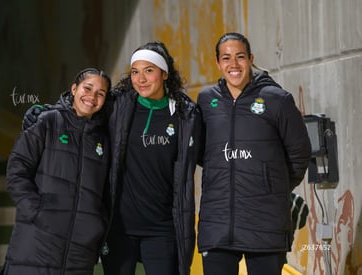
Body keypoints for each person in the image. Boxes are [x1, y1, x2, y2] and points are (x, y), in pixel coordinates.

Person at [23, 41, 202, 275]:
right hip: (119, 228)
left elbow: (208, 152)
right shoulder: (118, 106)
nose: (141, 79)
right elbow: (82, 107)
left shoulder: (184, 115)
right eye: (136, 72)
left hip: (162, 228)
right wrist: (44, 113)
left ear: (164, 73)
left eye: (149, 71)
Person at [196, 32, 311, 275]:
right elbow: (201, 152)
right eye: (226, 58)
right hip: (217, 224)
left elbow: (300, 154)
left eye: (240, 57)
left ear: (251, 58)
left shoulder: (277, 100)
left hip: (265, 223)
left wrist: (272, 186)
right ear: (217, 63)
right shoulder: (206, 101)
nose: (233, 64)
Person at [0, 68, 112, 275]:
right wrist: (37, 212)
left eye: (101, 93)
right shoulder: (47, 122)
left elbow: (105, 192)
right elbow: (17, 171)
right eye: (87, 88)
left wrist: (96, 226)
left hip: (80, 251)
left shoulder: (103, 139)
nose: (92, 97)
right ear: (74, 89)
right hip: (38, 243)